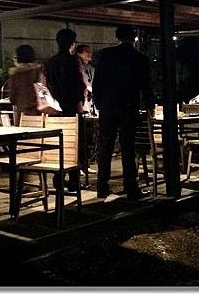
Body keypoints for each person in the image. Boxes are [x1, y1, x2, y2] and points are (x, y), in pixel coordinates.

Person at [93, 26, 154, 200]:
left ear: (117, 37)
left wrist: (99, 103)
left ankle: (102, 187)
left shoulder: (105, 55)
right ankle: (131, 187)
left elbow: (97, 82)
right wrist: (149, 105)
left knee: (106, 146)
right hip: (128, 106)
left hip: (108, 106)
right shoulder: (140, 58)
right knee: (128, 146)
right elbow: (146, 85)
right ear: (134, 38)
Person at [45, 28, 87, 191]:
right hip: (71, 107)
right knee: (75, 144)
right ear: (72, 44)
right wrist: (80, 104)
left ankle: (58, 178)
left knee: (60, 144)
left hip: (56, 108)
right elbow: (78, 84)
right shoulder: (73, 61)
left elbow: (48, 85)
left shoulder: (50, 62)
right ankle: (74, 181)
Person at [8, 44, 43, 126]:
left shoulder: (16, 74)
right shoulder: (38, 71)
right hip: (39, 111)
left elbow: (12, 98)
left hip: (23, 112)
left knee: (23, 132)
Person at [75, 44, 96, 116]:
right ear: (79, 54)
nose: (90, 53)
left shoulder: (92, 68)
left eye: (90, 51)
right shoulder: (77, 68)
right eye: (87, 51)